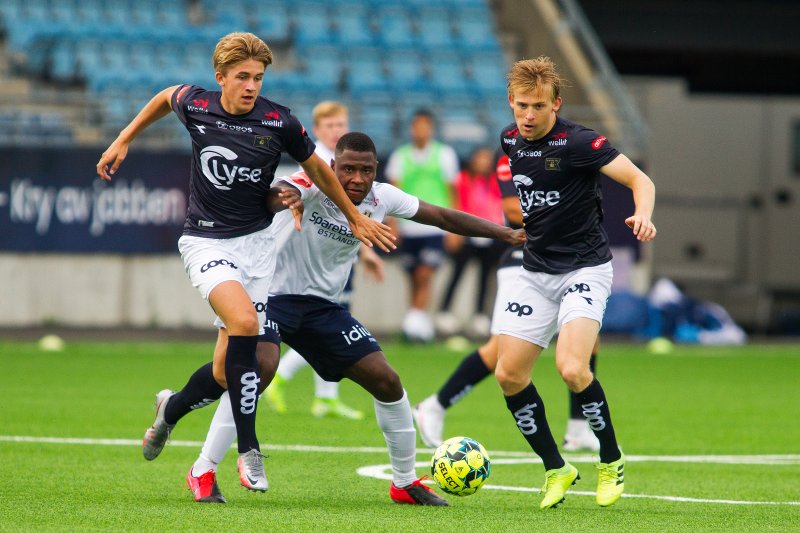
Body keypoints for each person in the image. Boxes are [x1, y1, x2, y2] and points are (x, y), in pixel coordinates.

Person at [147, 132, 524, 504]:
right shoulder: (311, 183)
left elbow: (440, 215)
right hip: (269, 296)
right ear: (332, 166)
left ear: (376, 170)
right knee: (256, 369)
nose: (357, 179)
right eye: (347, 169)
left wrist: (505, 234)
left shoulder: (382, 198)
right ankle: (203, 469)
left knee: (387, 380)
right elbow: (280, 191)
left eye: (366, 170)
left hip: (322, 309)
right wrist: (288, 197)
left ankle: (404, 482)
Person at [96, 32, 394, 493]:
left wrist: (353, 216)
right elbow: (163, 97)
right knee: (245, 326)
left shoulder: (279, 121)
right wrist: (122, 140)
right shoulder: (196, 103)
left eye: (257, 77)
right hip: (206, 243)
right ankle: (249, 449)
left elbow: (317, 168)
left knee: (223, 371)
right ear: (221, 78)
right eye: (242, 77)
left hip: (256, 249)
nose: (251, 85)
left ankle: (169, 411)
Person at [493, 57, 656, 509]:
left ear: (555, 105)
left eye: (538, 107)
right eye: (521, 105)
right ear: (511, 102)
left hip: (585, 269)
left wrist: (642, 213)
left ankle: (610, 458)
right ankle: (556, 468)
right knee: (508, 374)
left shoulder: (580, 141)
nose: (527, 115)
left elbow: (639, 179)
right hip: (536, 270)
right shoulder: (509, 139)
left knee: (572, 368)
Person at [414, 153, 601, 453]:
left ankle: (578, 428)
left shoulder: (565, 153)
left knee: (589, 339)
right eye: (526, 105)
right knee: (499, 349)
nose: (531, 114)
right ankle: (434, 406)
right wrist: (566, 215)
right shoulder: (513, 158)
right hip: (522, 263)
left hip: (567, 263)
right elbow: (513, 210)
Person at [263, 100, 384, 420]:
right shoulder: (317, 163)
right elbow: (335, 211)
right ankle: (279, 378)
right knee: (323, 326)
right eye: (329, 126)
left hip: (337, 255)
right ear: (316, 130)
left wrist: (366, 251)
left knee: (333, 321)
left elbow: (354, 216)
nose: (336, 130)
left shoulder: (348, 160)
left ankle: (326, 397)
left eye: (340, 124)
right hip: (303, 264)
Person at [385, 109, 460, 343]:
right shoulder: (401, 156)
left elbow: (452, 192)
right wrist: (393, 224)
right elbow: (393, 191)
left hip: (434, 226)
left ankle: (412, 322)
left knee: (425, 273)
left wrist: (454, 228)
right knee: (412, 276)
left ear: (431, 129)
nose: (420, 130)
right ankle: (420, 324)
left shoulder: (444, 154)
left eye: (424, 126)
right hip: (409, 227)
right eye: (416, 126)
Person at [435, 146, 506, 337]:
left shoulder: (495, 181)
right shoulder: (463, 179)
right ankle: (445, 312)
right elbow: (456, 203)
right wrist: (453, 232)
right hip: (466, 234)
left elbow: (499, 207)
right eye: (480, 158)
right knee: (457, 273)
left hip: (489, 236)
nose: (483, 162)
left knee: (485, 277)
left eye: (486, 158)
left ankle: (480, 315)